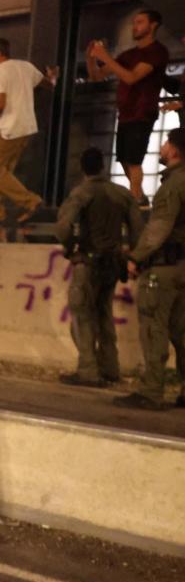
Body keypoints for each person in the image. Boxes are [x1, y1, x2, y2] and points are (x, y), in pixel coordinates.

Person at [54, 148, 141, 388]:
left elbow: (63, 227)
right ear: (103, 165)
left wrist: (71, 248)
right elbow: (137, 230)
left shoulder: (82, 193)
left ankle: (88, 371)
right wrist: (133, 256)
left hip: (88, 262)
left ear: (83, 167)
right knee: (104, 315)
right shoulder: (121, 193)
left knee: (82, 316)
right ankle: (110, 368)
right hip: (113, 264)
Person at [116, 127, 185, 411]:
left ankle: (152, 391)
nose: (164, 147)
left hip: (165, 268)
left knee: (154, 328)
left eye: (167, 142)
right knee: (182, 332)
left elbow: (159, 227)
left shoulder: (174, 184)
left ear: (176, 150)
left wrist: (136, 256)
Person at [0, 38, 57, 241]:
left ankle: (30, 201)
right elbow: (46, 82)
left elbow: (0, 103)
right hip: (26, 127)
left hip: (9, 127)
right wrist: (52, 76)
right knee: (2, 172)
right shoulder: (25, 66)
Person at [88, 9, 169, 207]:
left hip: (142, 111)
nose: (135, 26)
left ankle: (134, 205)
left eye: (140, 22)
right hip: (125, 113)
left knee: (134, 160)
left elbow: (131, 77)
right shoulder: (129, 54)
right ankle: (140, 199)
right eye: (134, 23)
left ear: (153, 25)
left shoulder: (157, 51)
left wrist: (106, 57)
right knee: (124, 159)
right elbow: (97, 76)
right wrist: (92, 57)